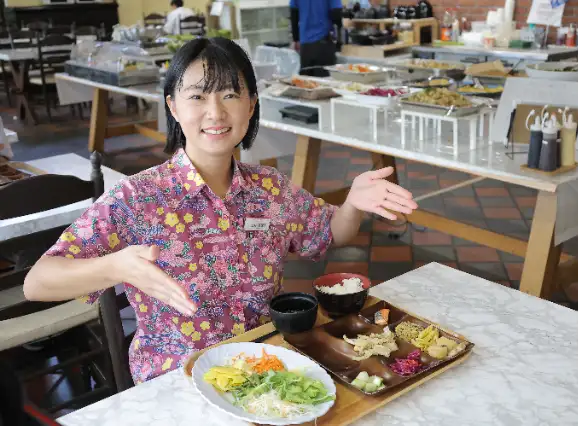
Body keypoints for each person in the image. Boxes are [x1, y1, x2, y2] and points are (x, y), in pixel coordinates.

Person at [23, 38, 417, 384]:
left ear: (251, 105)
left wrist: (352, 204)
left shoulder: (270, 188)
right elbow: (38, 282)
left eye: (230, 94)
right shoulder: (138, 198)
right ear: (173, 107)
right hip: (179, 379)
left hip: (267, 368)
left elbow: (329, 232)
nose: (215, 112)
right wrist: (116, 267)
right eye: (197, 96)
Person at [290, 0, 343, 77]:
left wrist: (296, 39)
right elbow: (336, 14)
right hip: (324, 45)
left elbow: (294, 15)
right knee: (326, 82)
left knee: (306, 82)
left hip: (305, 46)